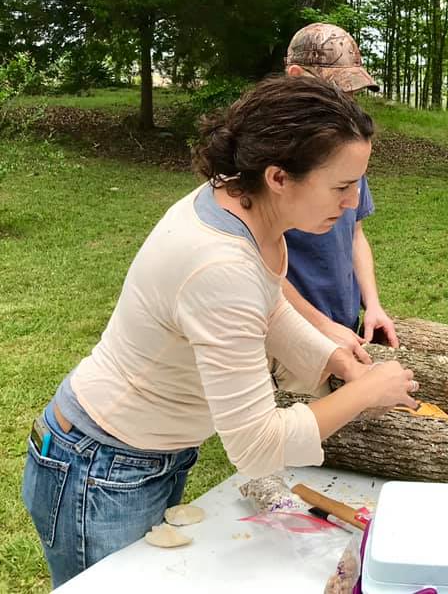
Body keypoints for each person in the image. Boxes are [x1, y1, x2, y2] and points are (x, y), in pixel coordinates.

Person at [21, 75, 419, 587]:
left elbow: (267, 305)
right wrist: (364, 392)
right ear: (278, 176)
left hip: (138, 456)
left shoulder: (242, 200)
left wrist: (332, 359)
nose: (352, 203)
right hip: (99, 466)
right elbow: (256, 446)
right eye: (342, 186)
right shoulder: (218, 263)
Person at [278, 23, 396, 384]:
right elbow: (259, 267)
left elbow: (356, 233)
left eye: (352, 92)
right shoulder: (272, 158)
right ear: (296, 77)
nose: (345, 102)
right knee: (305, 434)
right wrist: (321, 326)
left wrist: (371, 304)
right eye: (336, 90)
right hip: (293, 333)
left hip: (345, 323)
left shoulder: (345, 145)